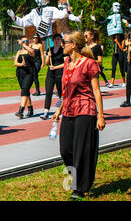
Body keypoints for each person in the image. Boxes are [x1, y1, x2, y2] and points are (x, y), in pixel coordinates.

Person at [52, 31, 105, 200]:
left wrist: (101, 115)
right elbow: (65, 89)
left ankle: (79, 189)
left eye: (64, 42)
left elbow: (96, 90)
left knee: (81, 150)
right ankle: (78, 177)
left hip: (85, 109)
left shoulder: (89, 64)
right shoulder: (67, 62)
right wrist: (59, 108)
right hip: (68, 109)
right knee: (65, 149)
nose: (61, 44)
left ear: (73, 44)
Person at [40, 34, 66, 120]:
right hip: (50, 73)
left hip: (60, 73)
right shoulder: (49, 49)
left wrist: (55, 67)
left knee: (60, 93)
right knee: (48, 92)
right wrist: (49, 56)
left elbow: (66, 63)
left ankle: (62, 110)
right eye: (55, 39)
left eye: (59, 39)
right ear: (53, 40)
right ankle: (46, 112)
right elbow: (47, 63)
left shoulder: (63, 50)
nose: (57, 41)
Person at [13, 36, 35, 119]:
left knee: (24, 90)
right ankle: (30, 109)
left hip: (29, 73)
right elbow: (15, 63)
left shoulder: (30, 50)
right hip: (20, 73)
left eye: (26, 41)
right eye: (23, 41)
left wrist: (23, 44)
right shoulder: (19, 51)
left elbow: (32, 52)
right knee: (25, 91)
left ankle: (21, 110)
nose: (25, 42)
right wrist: (21, 64)